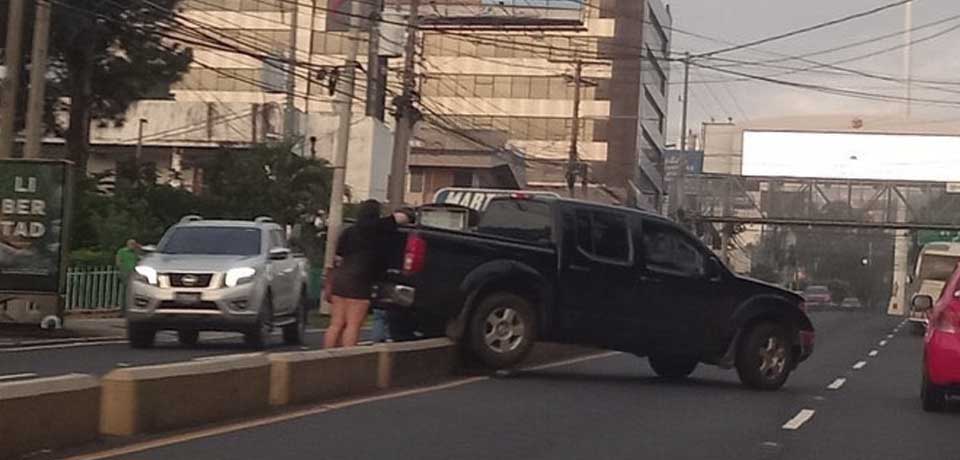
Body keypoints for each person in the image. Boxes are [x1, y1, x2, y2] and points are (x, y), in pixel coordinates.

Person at [323, 200, 410, 348]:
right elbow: (402, 217)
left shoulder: (349, 231)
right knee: (353, 325)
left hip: (341, 279)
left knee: (336, 324)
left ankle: (325, 356)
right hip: (360, 281)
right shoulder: (381, 227)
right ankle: (347, 358)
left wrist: (328, 282)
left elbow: (337, 259)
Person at [115, 239, 141, 312]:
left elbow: (140, 259)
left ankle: (131, 308)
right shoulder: (122, 251)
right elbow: (118, 262)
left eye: (134, 244)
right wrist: (122, 270)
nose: (133, 246)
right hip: (125, 272)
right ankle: (124, 309)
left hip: (134, 273)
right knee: (126, 291)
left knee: (133, 291)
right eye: (132, 244)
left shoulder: (135, 253)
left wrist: (139, 248)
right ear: (128, 244)